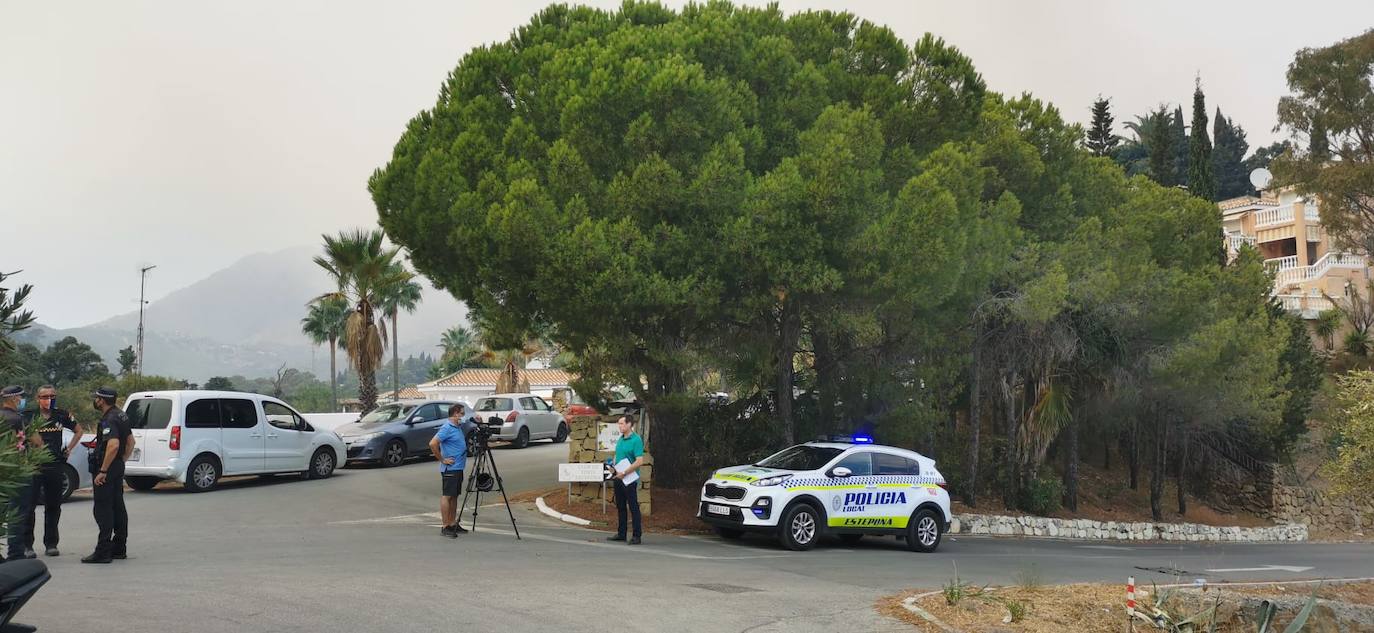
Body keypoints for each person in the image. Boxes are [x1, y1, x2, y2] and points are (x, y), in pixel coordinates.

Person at [24, 385, 82, 557]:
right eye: (44, 396)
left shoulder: (61, 415)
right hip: (34, 465)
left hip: (55, 465)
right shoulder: (29, 415)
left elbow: (79, 430)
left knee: (53, 506)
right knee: (29, 507)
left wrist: (70, 448)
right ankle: (27, 546)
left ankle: (51, 544)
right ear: (37, 398)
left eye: (51, 396)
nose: (48, 399)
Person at [83, 387, 133, 564]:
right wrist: (121, 461)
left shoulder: (108, 420)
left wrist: (104, 470)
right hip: (117, 466)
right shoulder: (121, 415)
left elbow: (112, 445)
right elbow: (130, 442)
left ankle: (103, 551)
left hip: (107, 467)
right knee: (118, 507)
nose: (95, 401)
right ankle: (119, 548)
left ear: (101, 401)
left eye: (96, 398)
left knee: (103, 509)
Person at [2, 385, 39, 560]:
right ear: (14, 399)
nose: (22, 400)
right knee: (17, 513)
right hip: (18, 471)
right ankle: (15, 553)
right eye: (21, 397)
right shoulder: (18, 419)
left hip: (4, 471)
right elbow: (37, 442)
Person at [429, 403, 468, 538]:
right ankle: (445, 526)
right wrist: (442, 459)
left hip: (458, 467)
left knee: (455, 495)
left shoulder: (457, 426)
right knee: (447, 495)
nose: (463, 416)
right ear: (456, 413)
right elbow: (433, 443)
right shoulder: (447, 427)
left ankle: (452, 523)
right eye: (462, 413)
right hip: (450, 467)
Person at [605, 414, 645, 545]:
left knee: (633, 506)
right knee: (620, 506)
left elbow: (639, 461)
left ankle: (636, 535)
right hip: (619, 477)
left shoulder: (636, 440)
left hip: (630, 479)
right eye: (619, 424)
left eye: (622, 423)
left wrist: (625, 472)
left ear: (629, 424)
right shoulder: (621, 439)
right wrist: (613, 467)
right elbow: (618, 456)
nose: (620, 426)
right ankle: (621, 533)